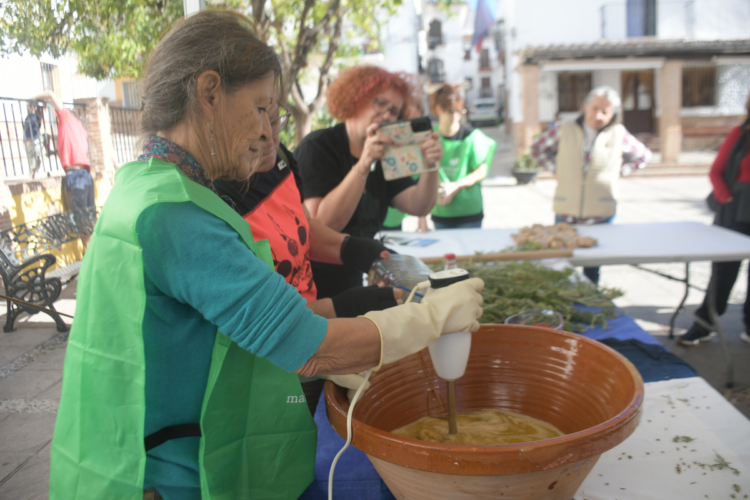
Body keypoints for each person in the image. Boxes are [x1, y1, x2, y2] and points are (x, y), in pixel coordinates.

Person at [48, 11, 484, 500]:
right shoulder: (175, 215)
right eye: (260, 108)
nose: (267, 134)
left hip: (120, 447)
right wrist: (434, 317)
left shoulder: (143, 185)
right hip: (164, 475)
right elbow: (308, 345)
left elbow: (245, 316)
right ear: (209, 93)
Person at [215, 101, 403, 414]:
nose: (271, 140)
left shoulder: (279, 159)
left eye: (277, 123)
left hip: (312, 334)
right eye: (257, 136)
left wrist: (353, 249)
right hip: (270, 361)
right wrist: (350, 306)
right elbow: (264, 323)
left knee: (309, 430)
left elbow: (300, 226)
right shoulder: (215, 200)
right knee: (285, 434)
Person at [296, 65, 443, 298]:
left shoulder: (385, 152)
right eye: (381, 103)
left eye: (394, 110)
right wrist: (363, 164)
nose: (387, 115)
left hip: (354, 278)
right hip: (314, 287)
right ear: (356, 98)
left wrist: (431, 165)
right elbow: (322, 222)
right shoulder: (318, 146)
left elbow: (419, 205)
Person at [530, 85, 651, 284]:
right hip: (566, 209)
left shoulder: (618, 133)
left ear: (613, 114)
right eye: (595, 108)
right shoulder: (564, 128)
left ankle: (590, 306)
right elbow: (537, 149)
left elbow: (643, 156)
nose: (599, 115)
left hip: (600, 212)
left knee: (593, 267)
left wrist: (620, 171)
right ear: (585, 106)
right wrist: (554, 168)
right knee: (563, 264)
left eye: (606, 111)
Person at [679, 93, 750, 346]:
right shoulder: (740, 135)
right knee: (723, 271)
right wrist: (726, 198)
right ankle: (704, 324)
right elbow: (716, 171)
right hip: (737, 208)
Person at [33, 89, 96, 253]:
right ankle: (93, 251)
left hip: (75, 176)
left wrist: (32, 99)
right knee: (90, 216)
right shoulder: (81, 129)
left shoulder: (67, 119)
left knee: (81, 218)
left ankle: (88, 254)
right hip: (86, 175)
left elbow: (50, 94)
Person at [429, 84, 497, 230]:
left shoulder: (473, 136)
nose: (455, 116)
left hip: (469, 211)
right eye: (450, 111)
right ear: (439, 109)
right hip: (441, 211)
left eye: (460, 111)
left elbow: (481, 170)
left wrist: (457, 185)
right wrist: (421, 216)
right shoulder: (430, 137)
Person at [23, 100, 44, 177]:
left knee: (32, 158)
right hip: (35, 141)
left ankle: (32, 172)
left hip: (30, 142)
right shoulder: (35, 118)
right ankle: (33, 171)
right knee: (34, 157)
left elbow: (26, 130)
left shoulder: (29, 117)